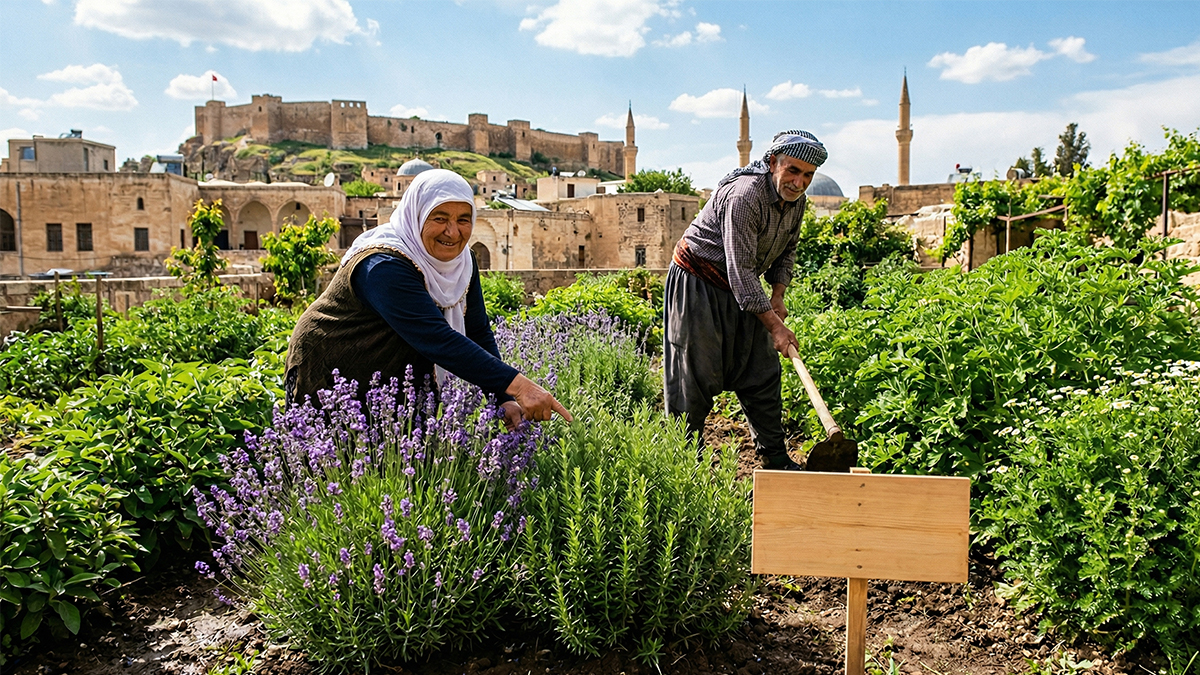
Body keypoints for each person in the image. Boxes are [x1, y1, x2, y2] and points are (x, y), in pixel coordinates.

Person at [285, 168, 571, 429]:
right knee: (333, 466)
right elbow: (437, 338)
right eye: (440, 218)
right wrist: (520, 387)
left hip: (393, 372)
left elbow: (477, 330)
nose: (453, 231)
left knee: (402, 460)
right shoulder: (382, 264)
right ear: (417, 215)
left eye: (463, 219)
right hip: (333, 370)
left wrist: (502, 397)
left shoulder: (463, 261)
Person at [663, 130, 826, 470]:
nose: (799, 182)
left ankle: (775, 458)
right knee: (695, 375)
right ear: (772, 163)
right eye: (793, 170)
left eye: (807, 175)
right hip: (700, 282)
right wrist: (776, 326)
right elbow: (740, 270)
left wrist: (778, 295)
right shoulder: (745, 196)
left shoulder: (796, 202)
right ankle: (684, 465)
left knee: (762, 371)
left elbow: (787, 250)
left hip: (741, 285)